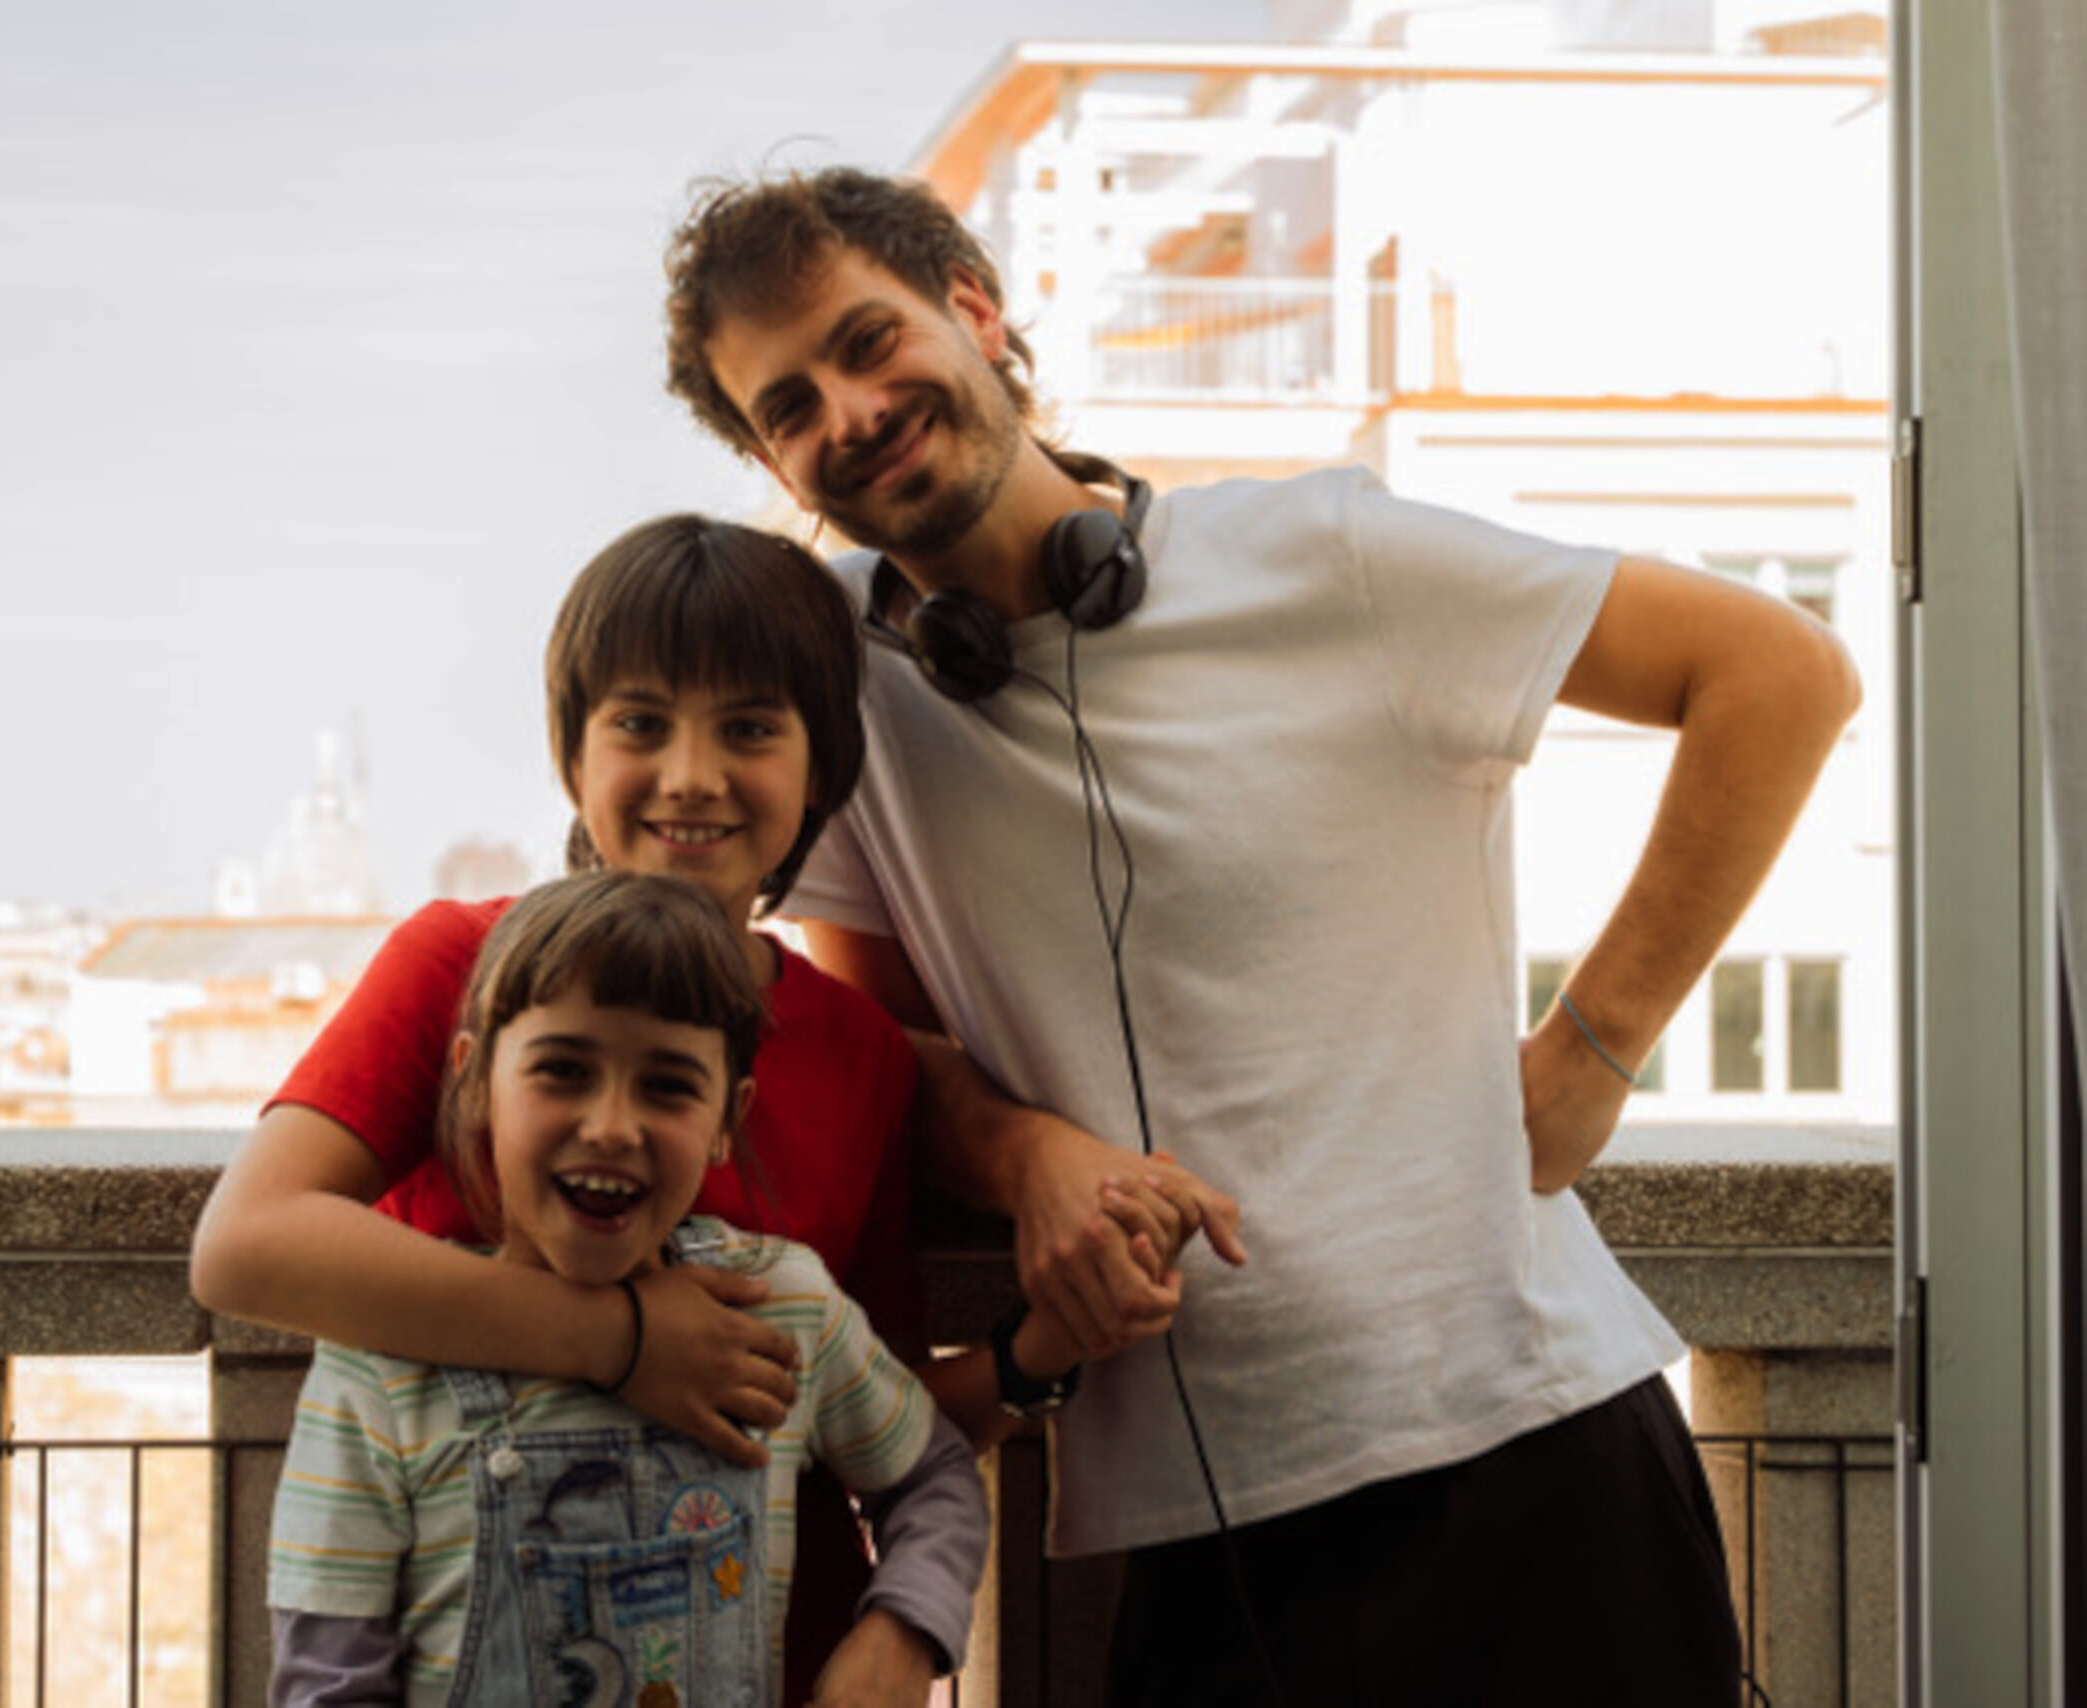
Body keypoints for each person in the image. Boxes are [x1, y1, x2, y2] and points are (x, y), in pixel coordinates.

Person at [659, 165, 1862, 1705]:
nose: (851, 411)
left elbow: (1784, 674)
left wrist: (1594, 1047)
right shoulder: (833, 679)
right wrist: (1027, 1156)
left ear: (975, 308)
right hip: (1196, 1530)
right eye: (789, 407)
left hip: (1537, 1462)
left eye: (868, 340)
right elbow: (890, 1053)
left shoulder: (1324, 553)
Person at [191, 513, 1172, 1704]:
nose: (692, 774)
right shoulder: (462, 961)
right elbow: (248, 1243)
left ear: (821, 769)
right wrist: (618, 1338)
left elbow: (871, 1410)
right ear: (574, 754)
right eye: (640, 724)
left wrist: (1023, 1372)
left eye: (748, 728)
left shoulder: (856, 1051)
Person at [263, 869, 990, 1707]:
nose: (611, 1127)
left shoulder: (784, 1309)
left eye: (668, 1086)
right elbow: (328, 1679)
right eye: (564, 1071)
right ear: (474, 1084)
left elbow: (934, 1473)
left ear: (727, 1121)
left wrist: (903, 1631)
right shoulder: (377, 1368)